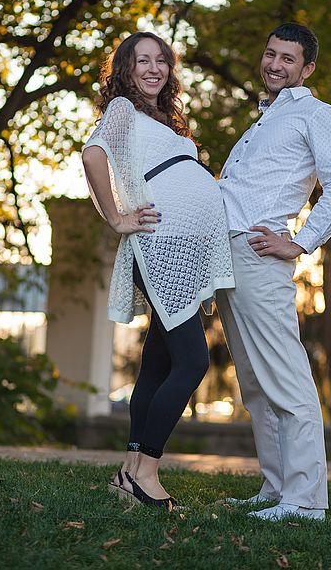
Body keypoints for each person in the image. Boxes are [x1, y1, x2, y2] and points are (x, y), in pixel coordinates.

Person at [82, 32, 234, 509]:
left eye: (160, 61)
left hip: (182, 249)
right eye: (141, 60)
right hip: (162, 247)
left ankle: (129, 469)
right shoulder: (123, 110)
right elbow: (92, 156)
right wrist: (116, 218)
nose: (153, 68)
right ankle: (148, 471)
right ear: (124, 69)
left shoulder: (160, 119)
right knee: (192, 361)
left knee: (159, 362)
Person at [216, 22, 331, 521]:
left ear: (307, 68)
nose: (275, 64)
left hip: (260, 255)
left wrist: (297, 243)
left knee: (287, 378)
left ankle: (306, 500)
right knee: (254, 382)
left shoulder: (317, 114)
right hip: (225, 253)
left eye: (288, 59)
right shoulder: (265, 119)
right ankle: (276, 488)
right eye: (271, 54)